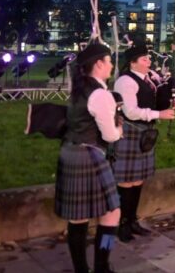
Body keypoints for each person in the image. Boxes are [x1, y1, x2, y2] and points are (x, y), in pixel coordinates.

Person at [54, 43, 122, 273]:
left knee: (77, 218)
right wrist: (119, 129)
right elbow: (110, 135)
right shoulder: (101, 94)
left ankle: (81, 269)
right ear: (99, 64)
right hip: (90, 156)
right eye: (109, 61)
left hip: (70, 153)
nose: (112, 65)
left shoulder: (78, 89)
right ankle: (102, 266)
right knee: (112, 213)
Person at [113, 44, 175, 242]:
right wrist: (160, 114)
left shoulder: (149, 78)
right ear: (132, 63)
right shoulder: (126, 81)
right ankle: (122, 224)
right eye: (144, 59)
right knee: (126, 180)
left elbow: (156, 98)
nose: (149, 62)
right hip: (131, 131)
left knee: (138, 178)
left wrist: (170, 102)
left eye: (149, 59)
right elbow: (130, 111)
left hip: (146, 132)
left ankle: (132, 220)